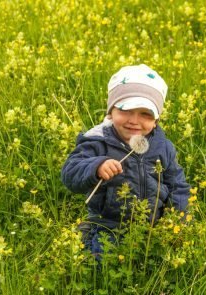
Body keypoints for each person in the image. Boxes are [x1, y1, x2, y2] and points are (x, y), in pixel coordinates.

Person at [61, 64, 190, 257]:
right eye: (125, 110)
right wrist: (96, 166)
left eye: (145, 114)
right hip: (110, 223)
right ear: (111, 111)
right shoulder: (97, 140)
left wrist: (179, 218)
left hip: (155, 224)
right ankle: (89, 232)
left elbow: (177, 184)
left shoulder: (162, 146)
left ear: (156, 119)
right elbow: (70, 173)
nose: (134, 121)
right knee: (101, 262)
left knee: (164, 260)